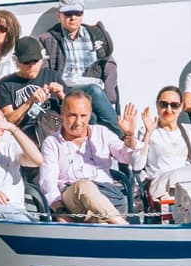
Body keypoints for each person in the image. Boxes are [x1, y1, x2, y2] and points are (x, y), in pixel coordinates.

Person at [37, 91, 141, 222]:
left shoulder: (101, 133)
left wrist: (129, 136)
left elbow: (126, 157)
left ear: (89, 116)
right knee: (84, 186)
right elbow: (48, 183)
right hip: (74, 200)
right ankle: (125, 228)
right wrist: (60, 212)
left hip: (108, 197)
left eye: (83, 116)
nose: (78, 121)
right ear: (62, 114)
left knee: (100, 223)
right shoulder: (52, 143)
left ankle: (111, 225)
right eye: (72, 116)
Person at [38, 0, 117, 123]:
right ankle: (123, 136)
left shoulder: (95, 34)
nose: (73, 17)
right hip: (68, 88)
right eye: (68, 13)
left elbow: (109, 62)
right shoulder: (48, 39)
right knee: (93, 94)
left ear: (82, 14)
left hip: (95, 86)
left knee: (94, 111)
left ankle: (120, 138)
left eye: (77, 13)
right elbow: (44, 70)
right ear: (59, 16)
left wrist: (110, 93)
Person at [0, 35, 65, 137]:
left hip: (54, 128)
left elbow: (75, 110)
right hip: (27, 134)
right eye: (26, 62)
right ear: (16, 61)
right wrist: (29, 102)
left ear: (41, 60)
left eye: (35, 61)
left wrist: (62, 96)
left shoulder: (51, 75)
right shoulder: (6, 84)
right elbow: (8, 121)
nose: (31, 66)